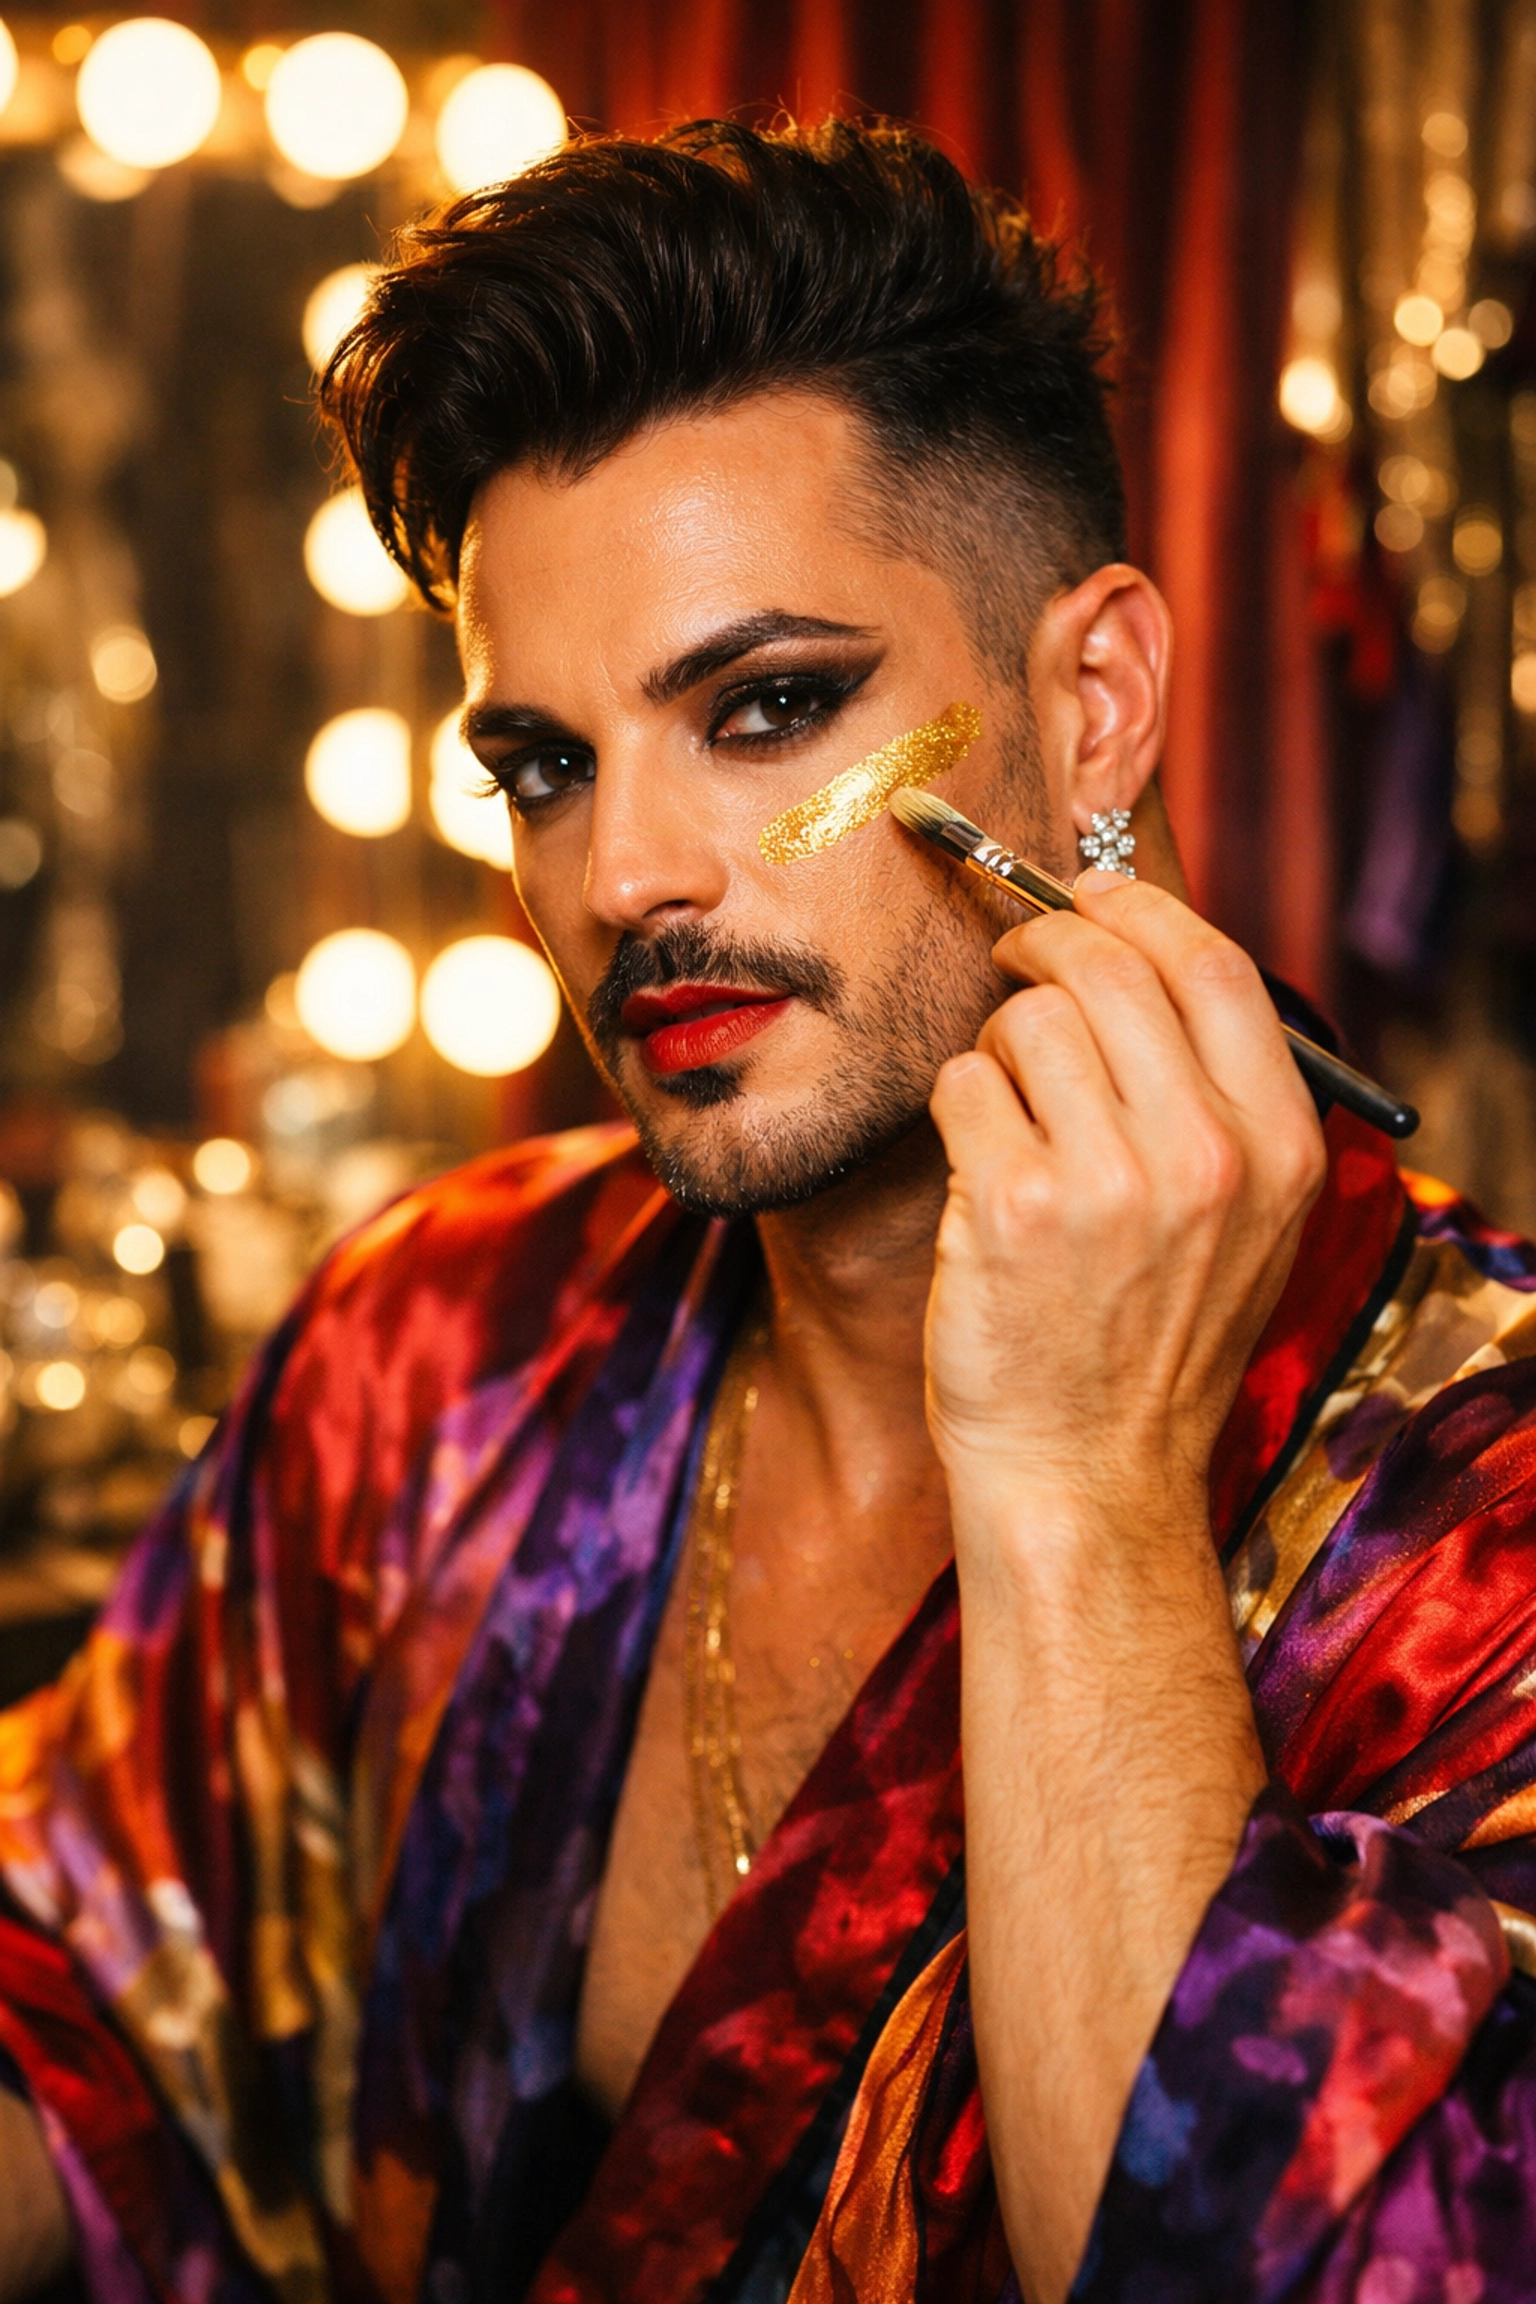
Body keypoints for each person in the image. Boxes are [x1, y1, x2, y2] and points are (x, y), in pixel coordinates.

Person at [0, 115, 1535, 2304]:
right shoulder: (445, 1336)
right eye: (541, 765)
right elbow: (76, 1989)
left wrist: (1092, 1489)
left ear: (1090, 707)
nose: (624, 875)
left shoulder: (1482, 1518)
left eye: (772, 710)